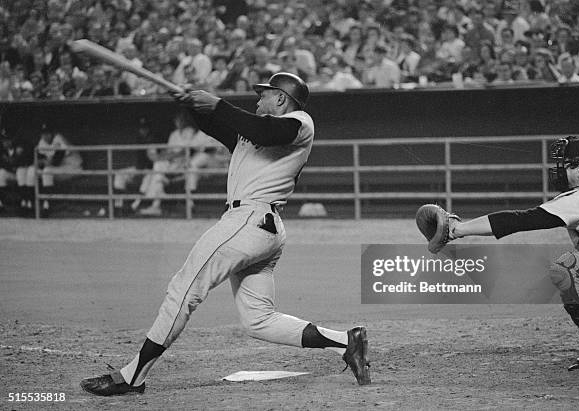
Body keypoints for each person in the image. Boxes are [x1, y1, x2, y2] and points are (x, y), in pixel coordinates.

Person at [80, 72, 370, 396]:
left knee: (182, 289)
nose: (258, 100)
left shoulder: (298, 122)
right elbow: (218, 127)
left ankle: (133, 376)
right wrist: (191, 105)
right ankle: (348, 341)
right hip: (260, 229)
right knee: (258, 320)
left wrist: (216, 103)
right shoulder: (254, 135)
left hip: (248, 221)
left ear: (282, 98)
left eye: (264, 95)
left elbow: (261, 128)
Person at [421, 136, 579, 371]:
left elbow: (519, 220)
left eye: (566, 165)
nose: (559, 170)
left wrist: (457, 230)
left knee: (568, 269)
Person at [134, 112, 224, 216]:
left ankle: (152, 202)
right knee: (158, 168)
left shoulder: (191, 131)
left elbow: (191, 150)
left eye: (181, 119)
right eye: (177, 119)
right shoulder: (179, 134)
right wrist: (162, 157)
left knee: (191, 166)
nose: (179, 122)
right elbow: (172, 150)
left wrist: (174, 156)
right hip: (178, 163)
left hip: (198, 163)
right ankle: (155, 204)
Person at [36, 123, 82, 212]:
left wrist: (44, 162)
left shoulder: (59, 139)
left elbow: (55, 162)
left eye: (48, 133)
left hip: (74, 167)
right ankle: (30, 204)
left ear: (52, 133)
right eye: (43, 133)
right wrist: (43, 162)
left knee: (47, 171)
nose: (45, 136)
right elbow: (39, 159)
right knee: (35, 171)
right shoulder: (42, 142)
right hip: (61, 168)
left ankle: (48, 204)